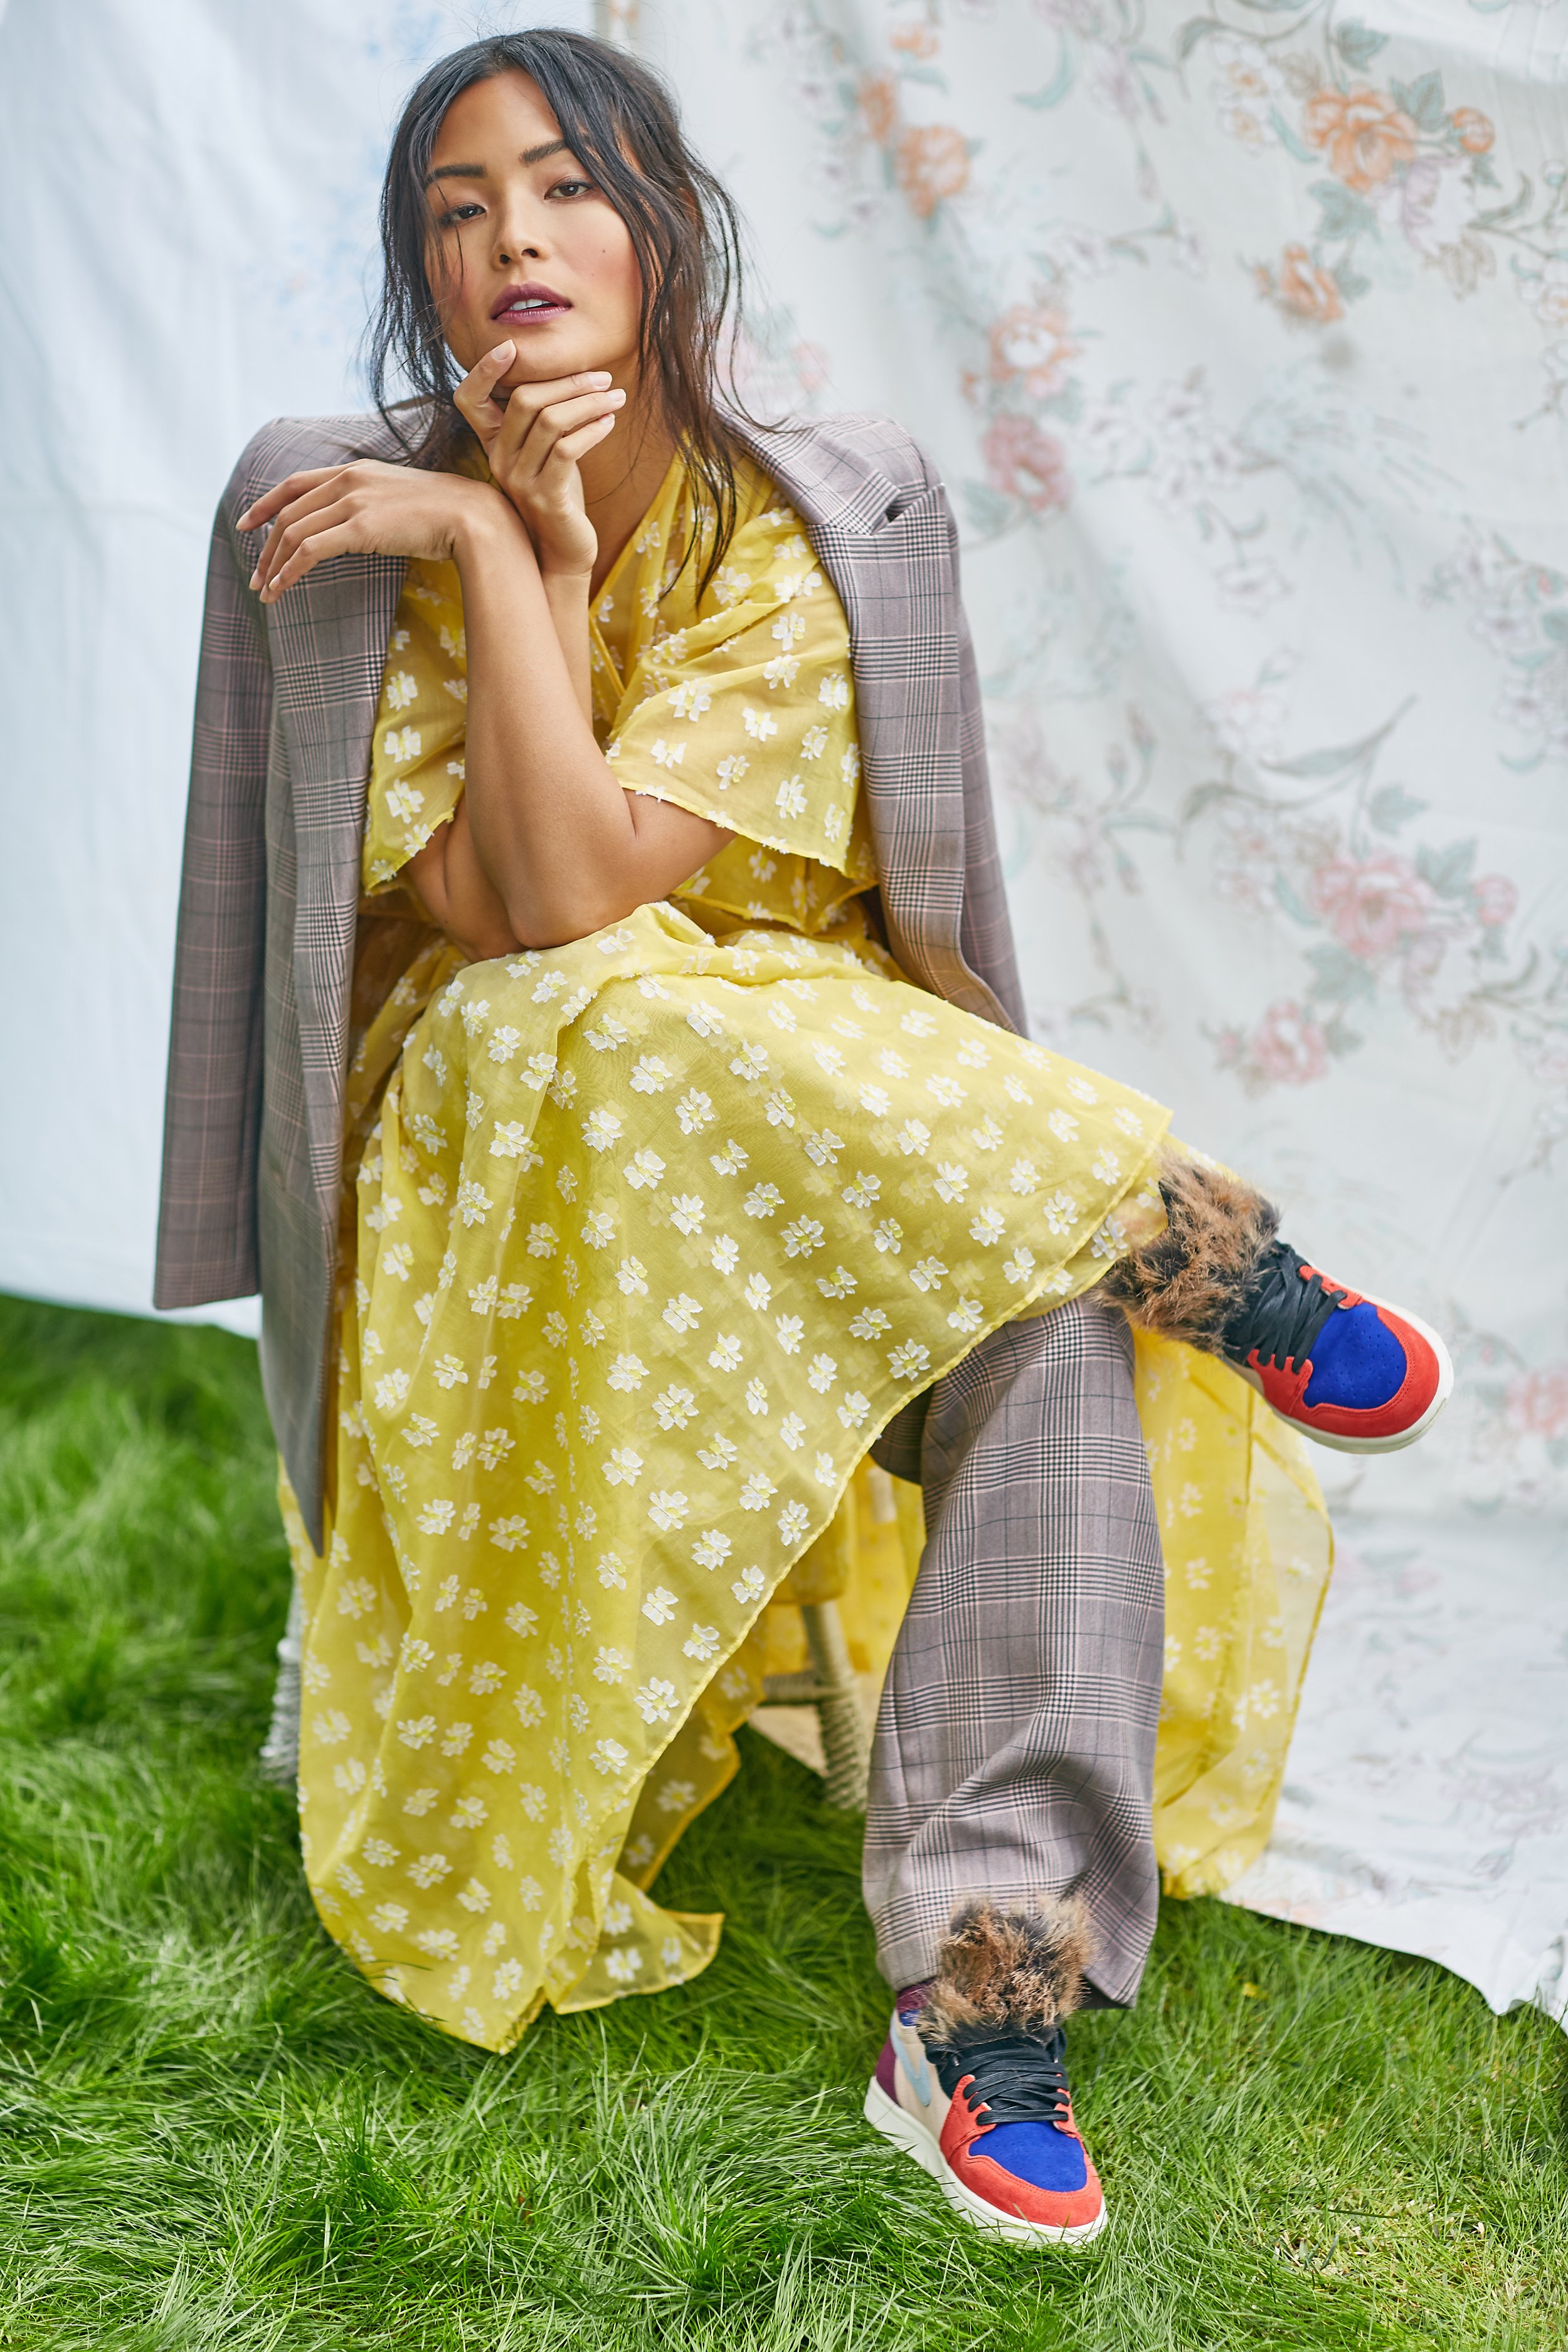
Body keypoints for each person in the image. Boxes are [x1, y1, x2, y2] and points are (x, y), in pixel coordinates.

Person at [154, 30, 1451, 2250]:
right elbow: (517, 910)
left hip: (828, 1119)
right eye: (454, 211)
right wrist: (497, 539)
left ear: (657, 221)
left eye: (558, 188)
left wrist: (524, 560)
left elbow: (664, 877)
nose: (508, 243)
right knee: (611, 1011)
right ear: (420, 268)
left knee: (1029, 1317)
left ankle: (979, 1992)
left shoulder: (815, 503)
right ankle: (1185, 1233)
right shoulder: (347, 507)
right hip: (496, 1118)